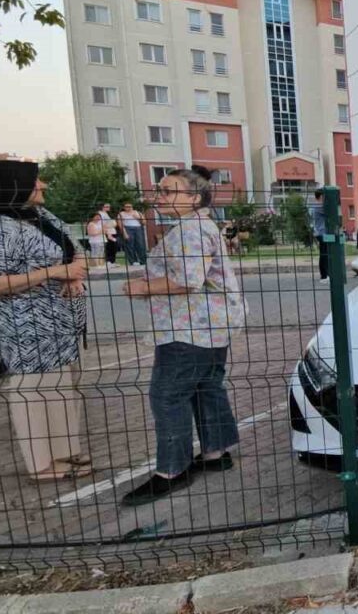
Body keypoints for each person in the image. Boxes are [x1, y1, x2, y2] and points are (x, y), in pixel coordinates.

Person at [122, 166, 246, 505]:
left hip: (190, 327)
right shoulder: (198, 225)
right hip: (208, 324)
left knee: (167, 394)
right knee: (206, 387)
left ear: (194, 197)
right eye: (159, 190)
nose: (159, 197)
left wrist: (142, 288)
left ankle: (172, 471)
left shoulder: (191, 230)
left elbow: (188, 280)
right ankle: (215, 452)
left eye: (169, 191)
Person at [0, 161, 91, 481]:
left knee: (62, 388)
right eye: (35, 180)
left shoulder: (40, 216)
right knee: (32, 391)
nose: (43, 185)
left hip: (61, 322)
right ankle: (41, 465)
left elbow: (75, 249)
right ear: (11, 185)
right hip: (26, 325)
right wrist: (55, 272)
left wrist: (73, 274)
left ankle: (66, 453)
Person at [311, 190, 328, 282]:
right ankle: (324, 275)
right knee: (324, 254)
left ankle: (325, 274)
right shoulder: (319, 205)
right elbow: (331, 213)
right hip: (322, 232)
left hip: (320, 232)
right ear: (321, 196)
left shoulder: (315, 205)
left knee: (324, 253)